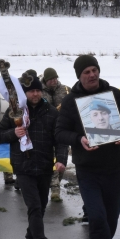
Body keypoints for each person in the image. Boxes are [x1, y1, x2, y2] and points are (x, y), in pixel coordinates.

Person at [55, 55, 120, 239]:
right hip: (87, 169)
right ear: (79, 76)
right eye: (86, 72)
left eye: (94, 70)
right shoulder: (71, 101)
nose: (92, 75)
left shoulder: (113, 95)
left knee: (110, 218)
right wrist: (79, 139)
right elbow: (60, 132)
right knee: (97, 217)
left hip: (112, 166)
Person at [0, 77, 68, 239]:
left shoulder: (51, 113)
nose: (35, 94)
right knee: (34, 206)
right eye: (31, 91)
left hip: (44, 166)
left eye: (38, 90)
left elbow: (59, 139)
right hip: (23, 167)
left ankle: (29, 238)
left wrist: (60, 160)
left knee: (41, 206)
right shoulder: (15, 113)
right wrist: (13, 133)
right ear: (24, 93)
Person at [42, 67, 70, 201]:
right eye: (50, 79)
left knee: (61, 159)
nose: (53, 81)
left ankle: (56, 182)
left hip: (63, 129)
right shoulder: (39, 92)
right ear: (45, 80)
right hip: (46, 130)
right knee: (49, 159)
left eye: (55, 78)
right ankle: (54, 189)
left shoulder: (65, 90)